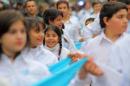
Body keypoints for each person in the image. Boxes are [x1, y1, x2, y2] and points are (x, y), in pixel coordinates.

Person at [72, 2, 128, 86]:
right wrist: (84, 71)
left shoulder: (127, 42)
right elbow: (82, 81)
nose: (125, 21)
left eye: (126, 17)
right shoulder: (91, 45)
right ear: (106, 20)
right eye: (120, 17)